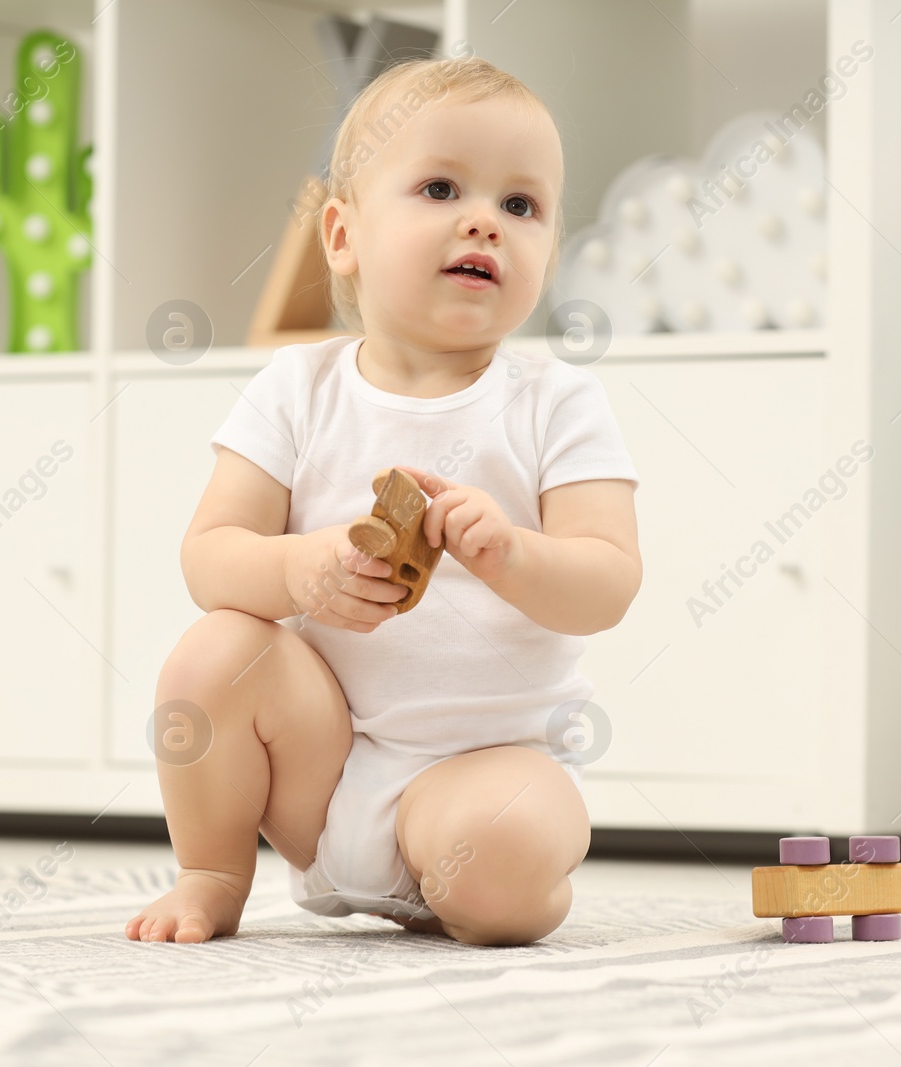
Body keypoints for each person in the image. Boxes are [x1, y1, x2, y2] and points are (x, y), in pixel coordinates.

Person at [125, 54, 640, 946]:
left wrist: (514, 553)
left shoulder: (556, 400)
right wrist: (302, 568)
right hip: (321, 769)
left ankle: (513, 892)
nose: (485, 220)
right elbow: (209, 555)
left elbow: (610, 579)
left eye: (521, 206)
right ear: (342, 235)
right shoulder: (296, 387)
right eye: (441, 187)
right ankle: (211, 871)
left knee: (503, 848)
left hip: (487, 765)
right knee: (213, 657)